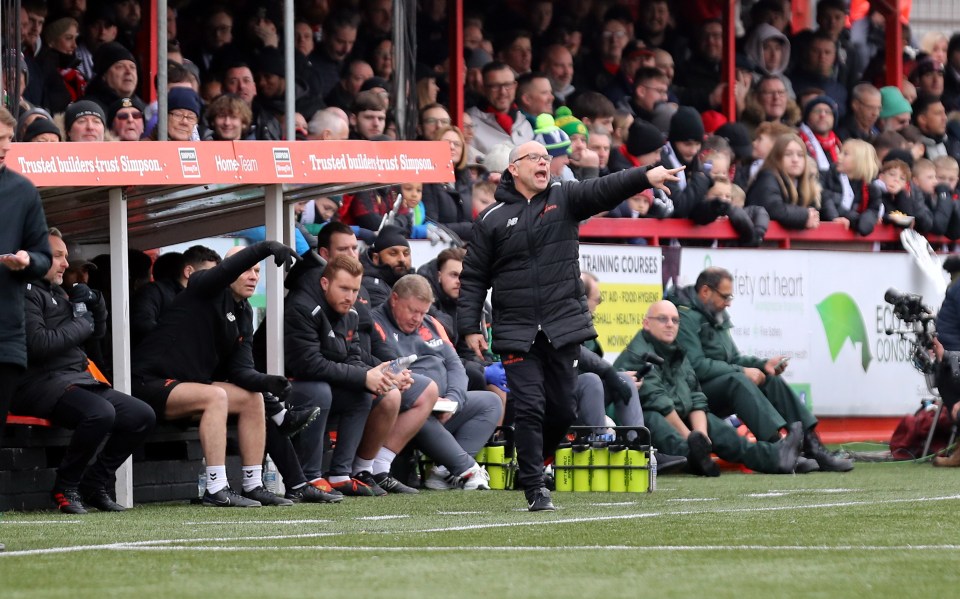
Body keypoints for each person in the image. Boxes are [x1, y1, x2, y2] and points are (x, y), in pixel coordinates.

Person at [457, 139, 683, 511]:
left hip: (563, 326)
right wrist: (470, 326)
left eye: (547, 159)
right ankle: (534, 487)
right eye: (535, 158)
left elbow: (606, 187)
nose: (544, 163)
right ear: (514, 168)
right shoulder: (491, 218)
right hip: (516, 330)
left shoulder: (566, 197)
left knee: (562, 410)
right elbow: (474, 278)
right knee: (530, 407)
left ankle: (532, 461)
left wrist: (645, 175)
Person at [132, 241, 299, 507]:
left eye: (257, 271)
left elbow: (240, 370)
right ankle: (216, 487)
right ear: (229, 270)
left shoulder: (244, 312)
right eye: (247, 269)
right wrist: (266, 248)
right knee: (216, 396)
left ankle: (253, 484)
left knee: (252, 398)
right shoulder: (203, 286)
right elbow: (225, 271)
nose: (253, 276)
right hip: (148, 381)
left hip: (188, 386)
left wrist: (267, 382)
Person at [16, 228, 156, 514]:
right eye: (58, 256)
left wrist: (97, 305)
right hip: (38, 383)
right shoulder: (22, 292)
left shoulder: (59, 292)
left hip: (75, 379)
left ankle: (95, 484)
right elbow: (38, 344)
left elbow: (96, 336)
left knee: (141, 415)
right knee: (100, 413)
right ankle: (65, 487)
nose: (66, 264)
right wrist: (81, 321)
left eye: (66, 257)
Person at [668, 267, 853, 472]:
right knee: (738, 381)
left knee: (769, 378)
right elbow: (696, 366)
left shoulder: (715, 314)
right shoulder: (684, 318)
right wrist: (741, 370)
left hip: (718, 384)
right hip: (695, 395)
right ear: (705, 292)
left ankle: (813, 446)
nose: (729, 302)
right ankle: (778, 449)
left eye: (731, 296)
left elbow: (733, 358)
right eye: (725, 296)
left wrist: (762, 365)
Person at [614, 301, 803, 477]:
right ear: (646, 323)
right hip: (644, 423)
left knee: (719, 429)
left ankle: (777, 458)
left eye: (675, 320)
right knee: (655, 419)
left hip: (677, 416)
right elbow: (658, 402)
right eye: (663, 319)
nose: (670, 324)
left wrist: (701, 436)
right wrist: (692, 439)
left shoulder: (676, 350)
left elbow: (695, 395)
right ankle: (694, 458)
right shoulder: (638, 352)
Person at [373, 274, 501, 490]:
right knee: (421, 403)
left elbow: (454, 364)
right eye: (412, 311)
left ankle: (443, 471)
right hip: (406, 409)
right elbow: (392, 368)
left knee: (491, 402)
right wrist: (430, 398)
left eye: (422, 312)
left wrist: (454, 399)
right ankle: (466, 469)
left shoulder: (430, 322)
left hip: (441, 406)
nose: (417, 318)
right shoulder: (376, 322)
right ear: (394, 299)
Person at [0, 106, 52, 550]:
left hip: (4, 335)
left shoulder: (21, 190)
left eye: (6, 142)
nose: (2, 148)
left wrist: (26, 262)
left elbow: (43, 255)